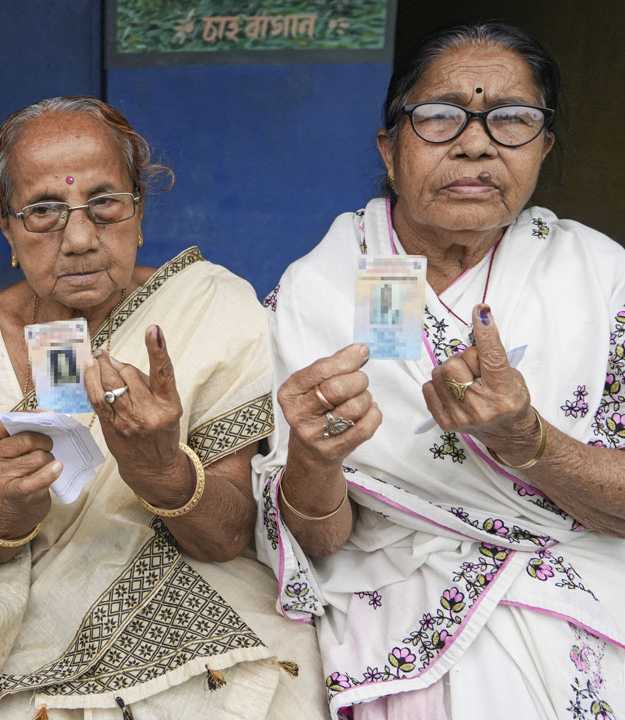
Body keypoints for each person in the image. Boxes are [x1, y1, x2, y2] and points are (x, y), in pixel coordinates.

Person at [0, 96, 325, 720]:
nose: (78, 239)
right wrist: (9, 502)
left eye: (104, 205)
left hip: (207, 590)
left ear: (138, 210)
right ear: (5, 226)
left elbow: (227, 536)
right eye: (43, 212)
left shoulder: (211, 304)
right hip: (36, 626)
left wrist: (161, 469)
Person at [254, 22, 625, 719]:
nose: (477, 141)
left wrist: (529, 444)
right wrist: (315, 459)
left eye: (513, 119)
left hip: (588, 595)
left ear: (544, 147)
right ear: (389, 148)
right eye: (440, 116)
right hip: (395, 603)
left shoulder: (602, 280)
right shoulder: (319, 289)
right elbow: (319, 538)